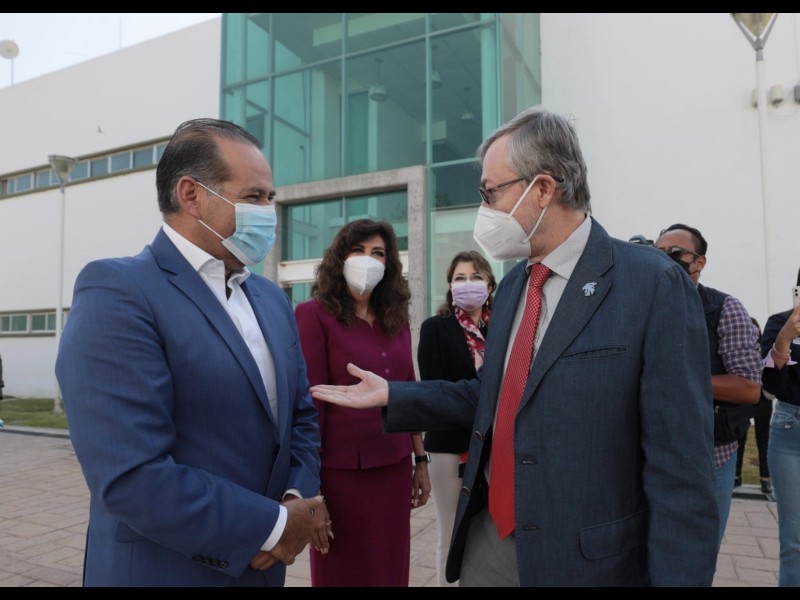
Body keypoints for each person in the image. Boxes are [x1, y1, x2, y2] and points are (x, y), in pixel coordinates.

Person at [310, 105, 719, 586]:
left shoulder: (651, 284)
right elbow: (492, 394)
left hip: (586, 560)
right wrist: (393, 395)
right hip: (490, 540)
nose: (484, 209)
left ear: (543, 189)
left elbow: (681, 471)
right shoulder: (511, 287)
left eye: (490, 192)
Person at [55, 118, 323, 587]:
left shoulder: (271, 299)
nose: (268, 211)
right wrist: (273, 526)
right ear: (191, 195)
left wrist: (296, 498)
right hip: (165, 570)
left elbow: (300, 417)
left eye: (270, 198)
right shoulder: (119, 291)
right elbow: (131, 474)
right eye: (254, 196)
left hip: (263, 571)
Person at [293, 218, 431, 587]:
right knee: (344, 573)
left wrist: (420, 461)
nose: (368, 259)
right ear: (340, 258)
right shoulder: (313, 314)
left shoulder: (395, 319)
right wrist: (311, 494)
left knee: (390, 571)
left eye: (378, 253)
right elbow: (309, 408)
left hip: (394, 468)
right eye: (358, 250)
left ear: (389, 264)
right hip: (340, 477)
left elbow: (408, 390)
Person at [655, 224, 762, 548]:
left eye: (676, 253)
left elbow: (749, 387)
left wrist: (680, 379)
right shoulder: (640, 305)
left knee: (698, 554)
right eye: (658, 253)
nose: (666, 260)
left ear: (699, 262)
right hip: (651, 452)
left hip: (709, 455)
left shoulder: (725, 309)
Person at [418, 250, 497, 587]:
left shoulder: (503, 328)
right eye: (460, 278)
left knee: (492, 533)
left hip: (498, 445)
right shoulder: (436, 329)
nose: (468, 284)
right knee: (451, 533)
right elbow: (435, 391)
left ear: (490, 285)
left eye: (476, 277)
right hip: (452, 448)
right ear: (450, 286)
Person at [763, 268, 800, 586]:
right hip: (791, 431)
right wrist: (785, 339)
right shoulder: (780, 323)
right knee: (795, 542)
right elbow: (770, 387)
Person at [735, 317, 772, 495]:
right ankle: (736, 476)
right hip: (744, 397)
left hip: (763, 398)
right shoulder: (741, 349)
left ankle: (765, 478)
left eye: (755, 328)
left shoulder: (766, 348)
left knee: (763, 438)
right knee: (740, 437)